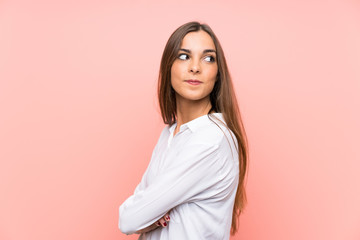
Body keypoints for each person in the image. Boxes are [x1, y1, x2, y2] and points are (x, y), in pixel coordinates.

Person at [118, 21, 248, 240]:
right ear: (168, 66)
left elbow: (130, 218)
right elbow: (134, 213)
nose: (195, 67)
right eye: (184, 56)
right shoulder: (170, 134)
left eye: (208, 58)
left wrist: (149, 212)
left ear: (218, 74)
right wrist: (151, 210)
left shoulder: (212, 140)